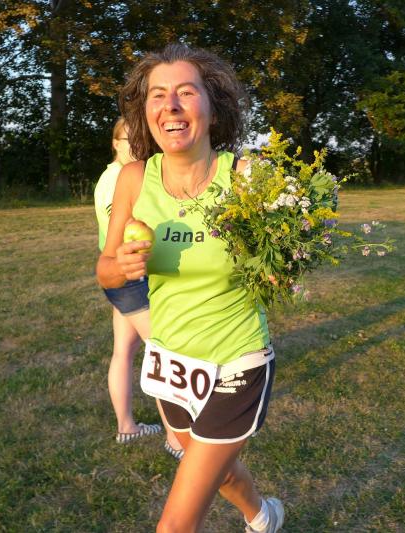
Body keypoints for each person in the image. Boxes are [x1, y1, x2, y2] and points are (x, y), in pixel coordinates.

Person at [96, 44, 284, 533]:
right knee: (218, 471)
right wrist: (122, 265)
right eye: (158, 95)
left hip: (236, 361)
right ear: (146, 112)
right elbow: (105, 271)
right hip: (171, 362)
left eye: (186, 92)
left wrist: (279, 259)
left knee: (175, 524)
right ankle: (263, 516)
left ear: (213, 108)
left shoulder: (246, 177)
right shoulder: (133, 179)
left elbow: (282, 260)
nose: (171, 105)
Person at [94, 117, 185, 459]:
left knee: (124, 350)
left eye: (138, 140)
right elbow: (126, 229)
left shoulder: (112, 175)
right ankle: (176, 439)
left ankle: (127, 426)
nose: (134, 147)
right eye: (126, 140)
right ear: (114, 143)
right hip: (128, 276)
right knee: (163, 353)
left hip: (120, 278)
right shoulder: (118, 180)